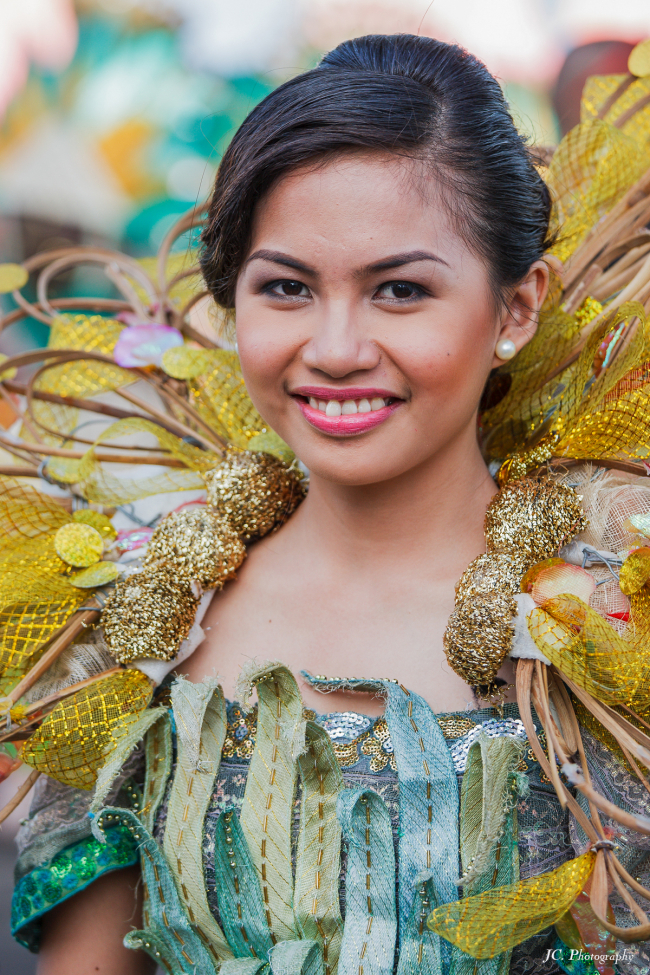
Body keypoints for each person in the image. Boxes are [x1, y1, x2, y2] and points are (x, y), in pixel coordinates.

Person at [3, 32, 650, 975]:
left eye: (400, 289)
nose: (336, 347)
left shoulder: (609, 637)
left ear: (516, 308)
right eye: (288, 288)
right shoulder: (136, 632)